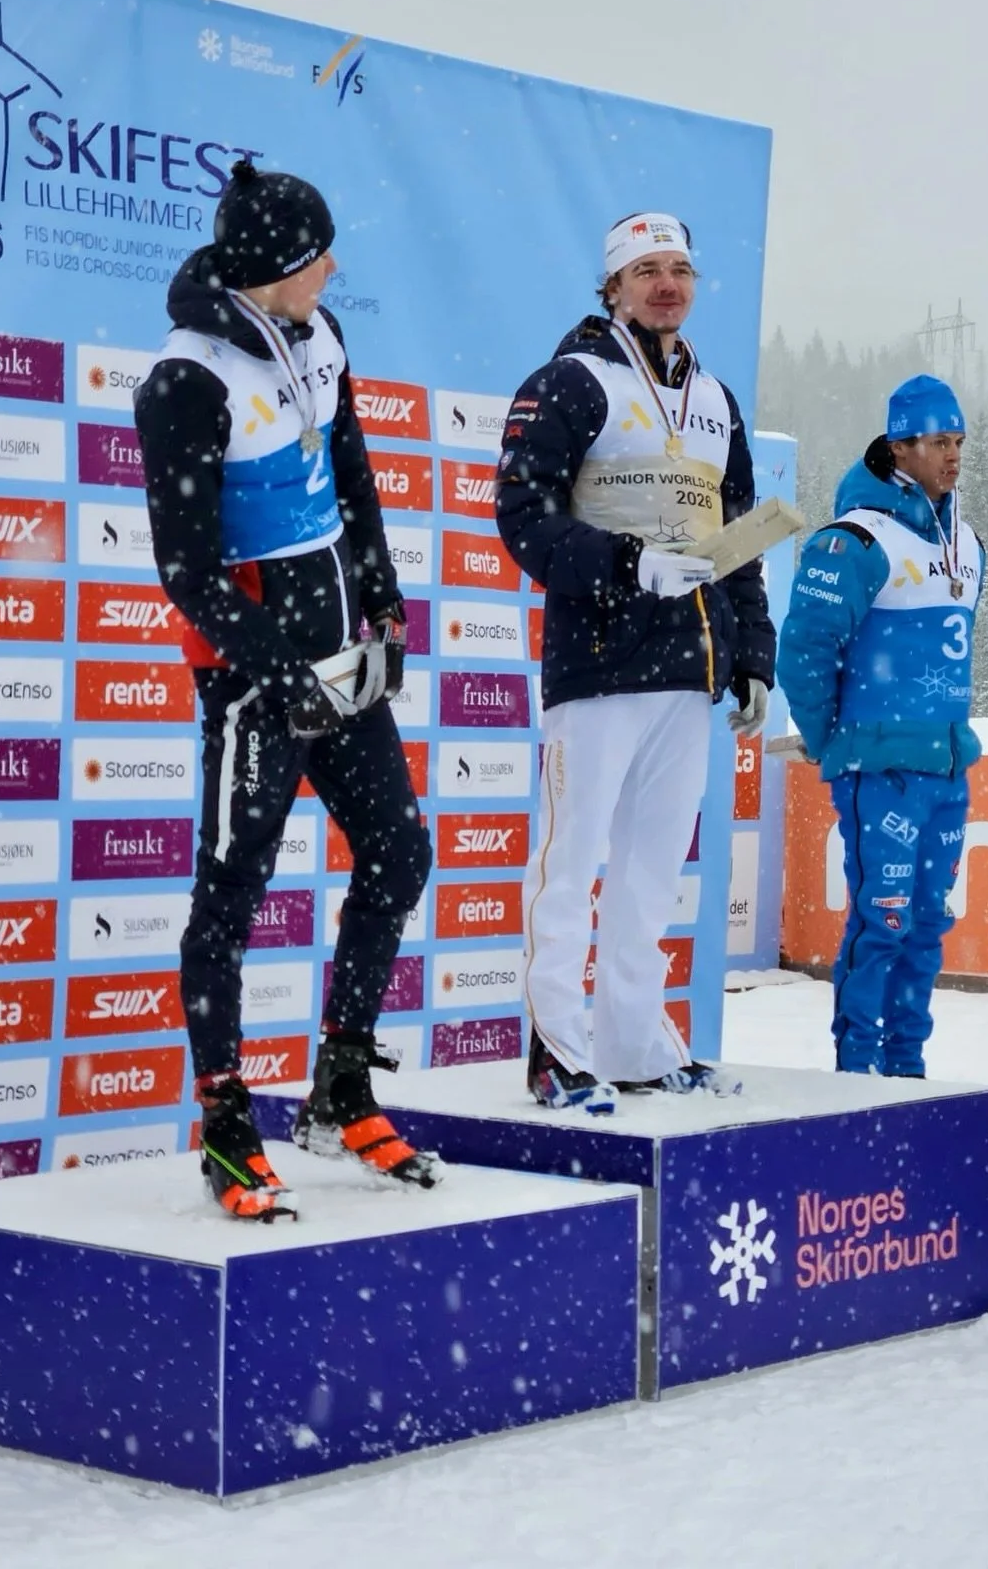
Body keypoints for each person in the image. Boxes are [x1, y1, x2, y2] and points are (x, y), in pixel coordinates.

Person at [136, 159, 438, 1220]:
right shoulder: (187, 377)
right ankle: (225, 1127)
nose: (333, 270)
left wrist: (386, 599)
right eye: (317, 258)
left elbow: (350, 473)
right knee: (229, 900)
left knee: (401, 853)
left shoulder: (320, 337)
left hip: (338, 665)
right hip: (258, 681)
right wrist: (276, 669)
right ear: (272, 269)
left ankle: (339, 1086)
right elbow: (188, 569)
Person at [495, 210, 776, 1112]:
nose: (668, 284)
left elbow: (739, 539)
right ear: (612, 285)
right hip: (599, 660)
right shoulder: (571, 381)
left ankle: (632, 1041)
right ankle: (556, 1049)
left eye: (681, 269)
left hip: (689, 669)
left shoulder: (717, 399)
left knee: (654, 873)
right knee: (573, 862)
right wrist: (627, 568)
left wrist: (752, 653)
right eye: (647, 269)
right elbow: (522, 519)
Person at [776, 375, 980, 1078]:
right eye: (937, 442)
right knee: (883, 921)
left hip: (947, 768)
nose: (952, 455)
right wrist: (834, 740)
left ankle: (907, 1066)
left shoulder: (967, 542)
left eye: (959, 441)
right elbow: (803, 652)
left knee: (926, 927)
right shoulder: (854, 539)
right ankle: (857, 1071)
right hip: (880, 770)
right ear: (899, 447)